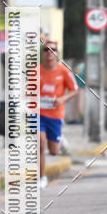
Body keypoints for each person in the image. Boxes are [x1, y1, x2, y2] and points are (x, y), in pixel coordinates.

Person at [38, 41, 79, 188]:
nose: (49, 52)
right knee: (40, 143)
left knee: (54, 152)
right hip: (38, 113)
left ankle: (60, 139)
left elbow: (75, 90)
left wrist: (62, 99)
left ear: (57, 53)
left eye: (53, 49)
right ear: (43, 53)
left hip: (55, 115)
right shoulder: (35, 71)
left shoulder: (64, 71)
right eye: (46, 49)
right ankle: (41, 177)